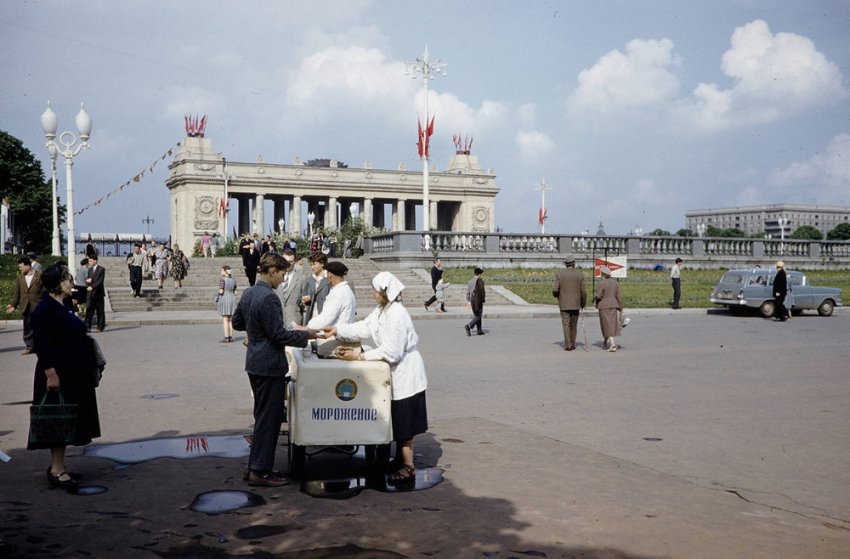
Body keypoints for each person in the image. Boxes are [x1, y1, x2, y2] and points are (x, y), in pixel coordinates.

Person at [325, 271, 428, 485]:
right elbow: (363, 327)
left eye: (374, 290)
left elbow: (393, 352)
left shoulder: (397, 314)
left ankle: (408, 466)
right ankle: (399, 459)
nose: (372, 293)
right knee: (397, 419)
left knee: (405, 423)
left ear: (384, 292)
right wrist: (337, 330)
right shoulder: (382, 311)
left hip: (407, 374)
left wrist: (360, 356)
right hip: (395, 374)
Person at [232, 253, 314, 487]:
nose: (283, 279)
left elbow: (238, 323)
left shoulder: (249, 292)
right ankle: (260, 471)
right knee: (270, 420)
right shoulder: (269, 297)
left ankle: (254, 466)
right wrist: (305, 335)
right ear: (271, 272)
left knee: (261, 418)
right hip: (269, 365)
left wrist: (254, 332)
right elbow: (279, 335)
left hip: (254, 363)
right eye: (282, 274)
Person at [29, 263, 101, 494]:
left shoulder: (63, 304)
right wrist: (50, 374)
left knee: (68, 419)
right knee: (58, 420)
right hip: (57, 374)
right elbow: (42, 344)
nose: (71, 282)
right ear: (57, 284)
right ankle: (57, 470)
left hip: (73, 373)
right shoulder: (45, 309)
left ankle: (59, 465)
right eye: (67, 279)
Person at [5, 256, 44, 354]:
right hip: (25, 305)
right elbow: (17, 293)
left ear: (28, 266)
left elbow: (45, 291)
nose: (20, 269)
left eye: (21, 267)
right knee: (27, 326)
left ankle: (40, 345)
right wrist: (13, 305)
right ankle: (29, 347)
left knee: (39, 326)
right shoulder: (20, 277)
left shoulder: (39, 275)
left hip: (37, 304)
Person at [306, 261, 356, 329]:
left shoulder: (338, 293)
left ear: (330, 275)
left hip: (336, 336)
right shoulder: (346, 290)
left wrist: (307, 327)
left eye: (326, 274)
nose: (325, 277)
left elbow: (325, 319)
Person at [552, 256, 586, 351]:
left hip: (564, 303)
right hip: (576, 303)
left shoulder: (560, 274)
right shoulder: (580, 275)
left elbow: (555, 289)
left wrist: (557, 296)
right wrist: (583, 303)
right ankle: (573, 343)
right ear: (574, 264)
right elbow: (583, 292)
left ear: (566, 264)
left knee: (566, 324)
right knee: (574, 324)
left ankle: (568, 345)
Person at [595, 266, 623, 352]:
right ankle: (604, 342)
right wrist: (621, 307)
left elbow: (598, 296)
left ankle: (612, 344)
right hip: (613, 306)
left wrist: (595, 301)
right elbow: (618, 296)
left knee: (606, 325)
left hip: (604, 306)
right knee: (610, 324)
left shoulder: (601, 283)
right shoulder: (615, 283)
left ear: (603, 274)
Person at [275, 250, 307, 326]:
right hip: (276, 320)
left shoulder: (302, 278)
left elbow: (305, 302)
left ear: (295, 261)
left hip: (294, 321)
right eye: (285, 261)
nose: (288, 263)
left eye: (291, 261)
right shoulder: (275, 276)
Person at [301, 252, 329, 324]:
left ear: (322, 264)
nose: (312, 267)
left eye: (314, 264)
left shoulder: (329, 279)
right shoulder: (309, 279)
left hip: (325, 317)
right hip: (311, 316)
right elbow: (301, 297)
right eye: (311, 264)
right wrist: (304, 299)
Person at [85, 255, 106, 333]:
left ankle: (100, 327)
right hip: (90, 294)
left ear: (95, 260)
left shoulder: (101, 269)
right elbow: (87, 280)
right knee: (89, 310)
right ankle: (87, 327)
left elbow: (100, 281)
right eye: (89, 261)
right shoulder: (89, 270)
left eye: (90, 261)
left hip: (98, 293)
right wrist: (87, 283)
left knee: (100, 311)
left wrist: (92, 285)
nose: (89, 262)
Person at [217, 266, 238, 343]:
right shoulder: (233, 280)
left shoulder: (222, 280)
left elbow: (221, 291)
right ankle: (230, 337)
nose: (221, 272)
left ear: (225, 271)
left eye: (222, 270)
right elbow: (235, 292)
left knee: (225, 319)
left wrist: (218, 293)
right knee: (231, 320)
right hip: (232, 299)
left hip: (225, 299)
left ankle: (226, 337)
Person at [464, 267, 486, 336]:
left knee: (476, 315)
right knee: (478, 315)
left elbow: (468, 292)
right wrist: (483, 299)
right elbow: (482, 292)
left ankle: (479, 330)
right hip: (478, 299)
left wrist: (468, 301)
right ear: (479, 274)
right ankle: (469, 326)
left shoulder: (470, 281)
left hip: (472, 299)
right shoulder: (480, 281)